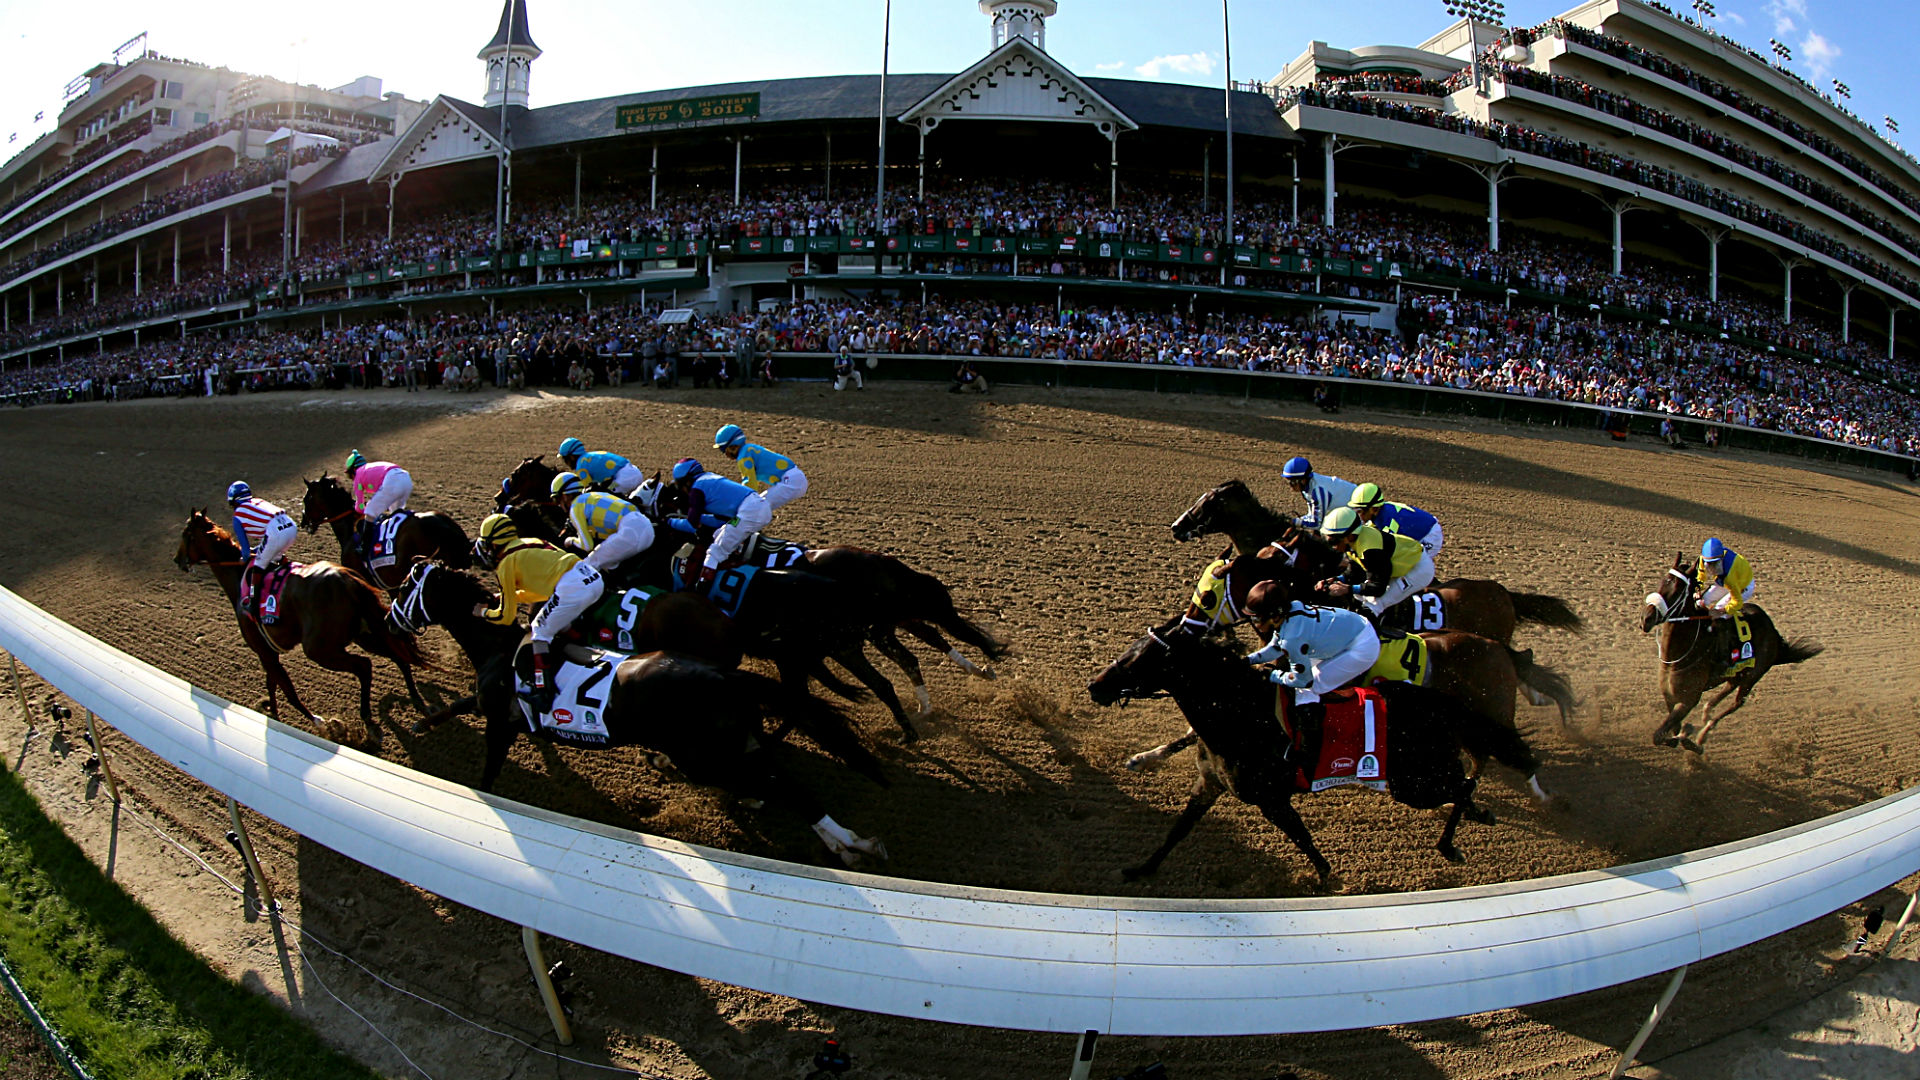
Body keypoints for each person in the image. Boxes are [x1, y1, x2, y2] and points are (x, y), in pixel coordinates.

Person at [471, 512, 589, 716]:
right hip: (588, 575)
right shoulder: (530, 541)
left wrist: (483, 612)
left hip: (571, 587)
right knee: (554, 620)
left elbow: (506, 617)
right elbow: (541, 590)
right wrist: (509, 596)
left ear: (494, 544)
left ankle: (543, 692)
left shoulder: (506, 563)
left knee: (539, 629)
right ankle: (583, 644)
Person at [1243, 589, 1381, 736]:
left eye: (1257, 619)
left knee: (1310, 687)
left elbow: (1304, 681)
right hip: (1353, 632)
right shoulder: (1289, 614)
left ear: (1275, 617)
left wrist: (1274, 675)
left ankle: (1309, 744)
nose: (1254, 623)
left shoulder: (1293, 638)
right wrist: (1248, 660)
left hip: (1362, 647)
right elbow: (1275, 648)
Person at [666, 457, 772, 590]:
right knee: (719, 534)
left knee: (715, 551)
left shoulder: (696, 489)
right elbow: (718, 521)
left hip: (750, 511)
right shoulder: (708, 479)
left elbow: (690, 526)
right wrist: (699, 518)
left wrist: (669, 521)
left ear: (686, 482)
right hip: (754, 507)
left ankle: (701, 588)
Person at [1319, 505, 1431, 619]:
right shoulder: (1355, 541)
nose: (1333, 547)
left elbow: (1378, 588)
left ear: (1350, 536)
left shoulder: (1370, 551)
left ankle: (1378, 636)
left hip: (1417, 569)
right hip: (1399, 564)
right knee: (1359, 597)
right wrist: (1337, 579)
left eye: (1334, 542)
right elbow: (1354, 571)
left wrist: (1347, 589)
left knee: (1373, 606)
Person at [227, 481, 298, 624]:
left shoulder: (237, 516)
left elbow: (246, 552)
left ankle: (253, 604)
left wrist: (245, 557)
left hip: (276, 532)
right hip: (291, 527)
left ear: (233, 501)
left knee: (258, 565)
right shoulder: (258, 501)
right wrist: (257, 549)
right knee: (273, 557)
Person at [713, 424, 807, 514]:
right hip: (793, 478)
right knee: (757, 505)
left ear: (732, 446)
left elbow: (749, 483)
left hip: (791, 481)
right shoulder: (748, 449)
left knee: (755, 507)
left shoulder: (744, 456)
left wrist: (739, 501)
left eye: (723, 450)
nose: (724, 454)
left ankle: (749, 529)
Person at [1348, 483, 1443, 568]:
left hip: (1429, 536)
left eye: (1360, 512)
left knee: (1402, 566)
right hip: (1421, 526)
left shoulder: (1389, 522)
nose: (1358, 516)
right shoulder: (1380, 512)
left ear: (1374, 509)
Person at [344, 450, 412, 561]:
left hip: (392, 481)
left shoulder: (358, 475)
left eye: (350, 476)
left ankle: (364, 548)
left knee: (370, 512)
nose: (352, 479)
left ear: (353, 470)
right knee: (396, 516)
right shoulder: (371, 468)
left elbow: (359, 508)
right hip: (406, 479)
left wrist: (362, 509)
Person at [1282, 456, 1356, 532]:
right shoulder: (1308, 487)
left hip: (1359, 514)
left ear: (1303, 480)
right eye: (1288, 481)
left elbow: (1316, 524)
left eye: (1293, 482)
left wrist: (1293, 522)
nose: (1290, 486)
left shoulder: (1318, 491)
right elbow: (1312, 517)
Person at [557, 437, 644, 496]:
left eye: (565, 459)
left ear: (571, 457)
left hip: (624, 479)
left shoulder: (581, 466)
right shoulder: (589, 456)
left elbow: (587, 491)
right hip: (634, 472)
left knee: (605, 499)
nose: (565, 463)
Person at [1695, 538, 1755, 618]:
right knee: (1703, 600)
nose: (1711, 568)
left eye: (1715, 563)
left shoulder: (1729, 576)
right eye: (1709, 564)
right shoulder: (1703, 559)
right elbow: (1701, 575)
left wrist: (1723, 610)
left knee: (1719, 612)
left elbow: (1737, 602)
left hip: (1742, 585)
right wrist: (1697, 589)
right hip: (1724, 582)